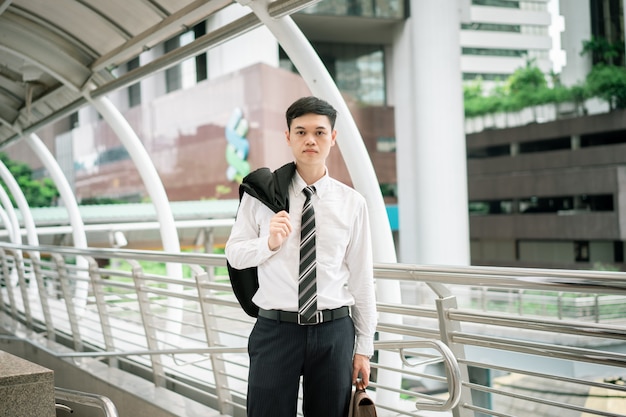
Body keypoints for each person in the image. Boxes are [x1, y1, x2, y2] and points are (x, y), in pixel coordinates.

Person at [225, 96, 377, 417]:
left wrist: (364, 348)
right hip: (276, 331)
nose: (311, 140)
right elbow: (235, 254)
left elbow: (363, 278)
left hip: (334, 332)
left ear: (332, 138)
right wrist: (268, 243)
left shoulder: (353, 203)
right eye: (301, 132)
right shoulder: (262, 196)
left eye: (320, 132)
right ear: (288, 137)